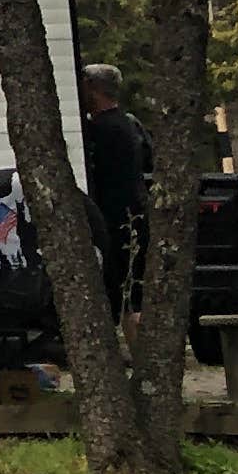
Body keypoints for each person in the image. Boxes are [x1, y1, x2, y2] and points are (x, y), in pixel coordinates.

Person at [82, 62, 153, 306]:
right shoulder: (129, 123)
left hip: (114, 222)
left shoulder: (98, 130)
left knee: (127, 299)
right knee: (131, 294)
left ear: (92, 88)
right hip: (134, 216)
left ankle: (138, 344)